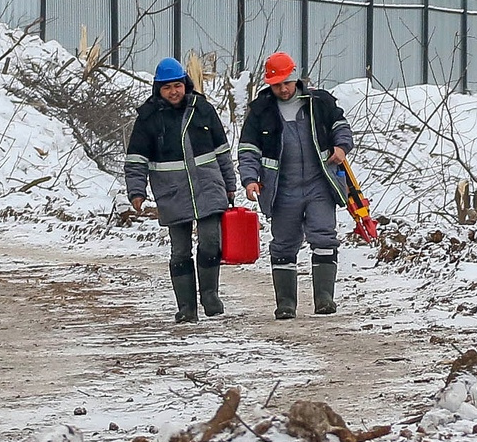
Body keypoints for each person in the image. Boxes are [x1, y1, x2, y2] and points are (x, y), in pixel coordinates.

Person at [238, 51, 353, 320]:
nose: (283, 89)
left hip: (319, 184)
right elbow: (248, 149)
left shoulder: (319, 102)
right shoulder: (260, 112)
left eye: (286, 83)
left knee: (324, 236)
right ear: (269, 84)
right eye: (277, 85)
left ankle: (324, 298)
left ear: (295, 78)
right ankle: (286, 303)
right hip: (281, 189)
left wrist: (341, 146)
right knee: (284, 244)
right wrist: (250, 179)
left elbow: (341, 127)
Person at [124, 58, 234, 322]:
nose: (174, 92)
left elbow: (222, 150)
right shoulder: (148, 118)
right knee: (180, 251)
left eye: (177, 86)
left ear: (186, 84)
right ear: (157, 90)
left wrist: (230, 184)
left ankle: (210, 295)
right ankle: (186, 307)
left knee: (211, 242)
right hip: (172, 193)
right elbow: (136, 159)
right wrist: (136, 191)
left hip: (208, 187)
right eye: (167, 88)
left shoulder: (203, 109)